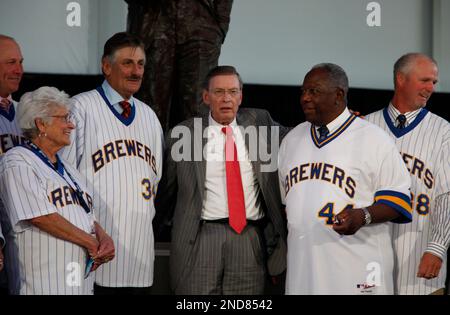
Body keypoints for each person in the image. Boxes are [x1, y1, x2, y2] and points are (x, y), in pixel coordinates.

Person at [278, 63, 412, 295]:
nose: (305, 98)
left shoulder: (373, 139)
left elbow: (399, 202)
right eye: (303, 92)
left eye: (314, 91)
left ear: (339, 94)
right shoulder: (292, 139)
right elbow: (286, 205)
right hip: (304, 269)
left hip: (356, 269)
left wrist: (363, 215)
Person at [156, 65, 287, 294]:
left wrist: (345, 124)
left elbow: (298, 135)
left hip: (249, 238)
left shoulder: (260, 122)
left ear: (241, 96)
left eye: (233, 92)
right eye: (219, 92)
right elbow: (165, 193)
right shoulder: (183, 134)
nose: (227, 98)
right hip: (200, 238)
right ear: (206, 97)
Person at [60, 32, 164, 295]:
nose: (136, 71)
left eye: (141, 64)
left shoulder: (150, 117)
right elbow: (63, 180)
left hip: (140, 257)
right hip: (94, 253)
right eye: (128, 63)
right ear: (106, 66)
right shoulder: (80, 108)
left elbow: (156, 181)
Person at [0, 86, 115, 295]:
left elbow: (86, 214)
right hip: (41, 285)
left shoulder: (69, 168)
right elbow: (39, 216)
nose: (71, 125)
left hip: (77, 284)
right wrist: (90, 241)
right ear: (41, 123)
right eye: (64, 118)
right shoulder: (17, 161)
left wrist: (103, 235)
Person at [365, 53, 450, 295]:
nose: (430, 88)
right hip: (368, 258)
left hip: (420, 260)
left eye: (433, 82)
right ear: (401, 79)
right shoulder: (365, 126)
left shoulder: (444, 132)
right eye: (425, 80)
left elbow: (447, 196)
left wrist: (436, 248)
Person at [125, 0, 234, 131]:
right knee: (150, 109)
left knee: (198, 110)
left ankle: (196, 150)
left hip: (201, 20)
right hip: (152, 20)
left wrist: (221, 22)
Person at [0, 34, 26, 295]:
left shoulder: (28, 114)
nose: (19, 70)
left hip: (22, 235)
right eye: (10, 62)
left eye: (20, 62)